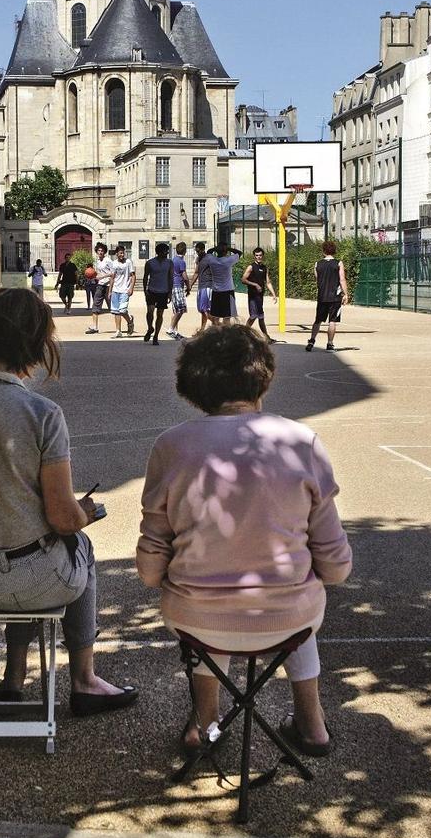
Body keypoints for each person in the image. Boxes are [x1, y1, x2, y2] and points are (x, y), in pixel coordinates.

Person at [0, 288, 137, 716]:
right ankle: (85, 680)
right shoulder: (43, 413)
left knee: (32, 549)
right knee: (76, 550)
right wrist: (85, 513)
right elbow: (61, 518)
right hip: (33, 579)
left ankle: (13, 679)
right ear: (34, 343)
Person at [137, 324, 352, 758]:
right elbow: (335, 561)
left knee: (204, 613)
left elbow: (151, 561)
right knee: (296, 593)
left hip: (194, 617)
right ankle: (312, 724)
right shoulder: (301, 441)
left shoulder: (171, 446)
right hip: (290, 618)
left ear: (192, 385)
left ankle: (206, 724)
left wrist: (163, 575)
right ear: (263, 377)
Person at [306, 242, 349, 352]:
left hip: (322, 296)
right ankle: (330, 344)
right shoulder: (338, 263)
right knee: (332, 321)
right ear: (334, 251)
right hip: (335, 297)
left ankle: (311, 341)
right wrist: (346, 294)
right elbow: (342, 279)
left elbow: (318, 279)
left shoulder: (317, 264)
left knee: (318, 320)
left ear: (323, 251)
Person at [198, 241, 239, 322]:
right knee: (227, 316)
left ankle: (217, 333)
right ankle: (226, 333)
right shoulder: (228, 260)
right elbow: (239, 253)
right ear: (226, 251)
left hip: (216, 291)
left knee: (216, 316)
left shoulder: (212, 260)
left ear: (217, 251)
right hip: (228, 291)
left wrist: (216, 248)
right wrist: (228, 248)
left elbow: (209, 251)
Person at [143, 241, 174, 344]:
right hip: (151, 290)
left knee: (160, 314)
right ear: (159, 252)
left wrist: (170, 292)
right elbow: (145, 277)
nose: (167, 253)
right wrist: (145, 290)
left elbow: (170, 278)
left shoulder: (169, 263)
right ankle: (150, 328)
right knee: (150, 312)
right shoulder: (150, 263)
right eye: (165, 251)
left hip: (163, 291)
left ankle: (156, 335)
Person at [244, 247, 276, 340]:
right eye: (257, 255)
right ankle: (243, 334)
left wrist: (274, 294)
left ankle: (267, 337)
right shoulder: (251, 267)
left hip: (260, 296)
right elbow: (243, 279)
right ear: (254, 256)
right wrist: (255, 285)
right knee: (254, 316)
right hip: (253, 295)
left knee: (261, 316)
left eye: (260, 255)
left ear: (263, 256)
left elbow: (268, 282)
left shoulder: (264, 267)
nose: (259, 257)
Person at [108, 246, 136, 335]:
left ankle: (130, 322)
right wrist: (110, 291)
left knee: (122, 310)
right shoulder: (113, 263)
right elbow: (112, 277)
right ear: (117, 254)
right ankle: (118, 331)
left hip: (125, 289)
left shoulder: (128, 262)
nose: (122, 255)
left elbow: (133, 276)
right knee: (116, 311)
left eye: (123, 253)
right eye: (120, 253)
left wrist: (131, 288)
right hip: (116, 289)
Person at [169, 241, 190, 340]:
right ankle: (171, 329)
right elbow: (185, 276)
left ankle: (175, 331)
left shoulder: (173, 260)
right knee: (181, 309)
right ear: (185, 251)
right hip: (178, 286)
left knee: (176, 310)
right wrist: (188, 287)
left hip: (173, 286)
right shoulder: (181, 261)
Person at [191, 241, 212, 331]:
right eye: (196, 251)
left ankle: (218, 325)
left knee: (205, 309)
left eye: (198, 251)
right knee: (201, 310)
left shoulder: (210, 258)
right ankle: (203, 329)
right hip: (201, 286)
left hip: (208, 286)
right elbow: (196, 273)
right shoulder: (198, 259)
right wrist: (190, 285)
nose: (197, 253)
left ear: (203, 249)